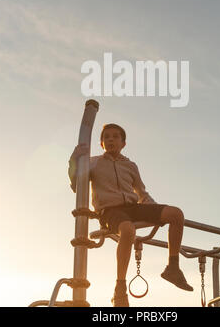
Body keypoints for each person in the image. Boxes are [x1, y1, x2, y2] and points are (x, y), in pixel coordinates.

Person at [68, 123, 193, 307]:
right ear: (101, 143)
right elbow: (76, 184)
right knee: (128, 230)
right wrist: (73, 160)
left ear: (123, 143)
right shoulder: (94, 162)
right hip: (110, 210)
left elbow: (142, 193)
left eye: (115, 136)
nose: (110, 139)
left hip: (133, 207)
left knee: (176, 214)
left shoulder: (131, 165)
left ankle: (172, 268)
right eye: (106, 137)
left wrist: (155, 213)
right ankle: (120, 288)